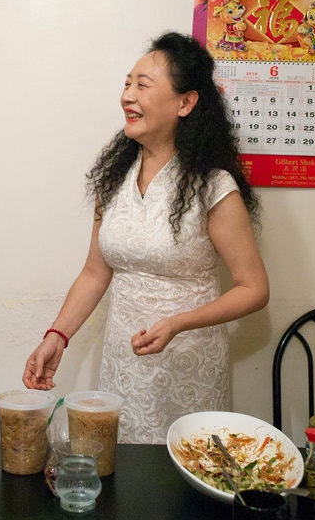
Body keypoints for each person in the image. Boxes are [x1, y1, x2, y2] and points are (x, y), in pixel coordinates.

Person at [22, 32, 269, 443]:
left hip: (189, 362)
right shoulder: (114, 178)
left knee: (184, 478)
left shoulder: (213, 185)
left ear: (185, 103)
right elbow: (94, 273)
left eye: (143, 85)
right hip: (123, 362)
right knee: (123, 472)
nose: (127, 96)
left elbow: (254, 288)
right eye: (127, 83)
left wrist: (178, 323)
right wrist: (57, 337)